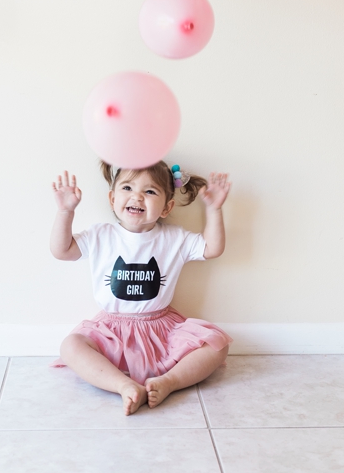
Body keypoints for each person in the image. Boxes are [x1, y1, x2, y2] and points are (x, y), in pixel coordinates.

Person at [49, 161, 232, 415]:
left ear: (167, 207)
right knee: (71, 346)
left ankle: (169, 382)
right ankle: (123, 385)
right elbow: (62, 251)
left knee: (218, 344)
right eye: (127, 187)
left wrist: (214, 210)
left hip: (161, 330)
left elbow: (212, 249)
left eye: (150, 191)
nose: (137, 196)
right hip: (110, 332)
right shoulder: (100, 235)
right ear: (113, 198)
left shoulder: (174, 238)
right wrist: (65, 212)